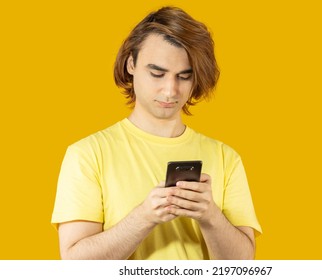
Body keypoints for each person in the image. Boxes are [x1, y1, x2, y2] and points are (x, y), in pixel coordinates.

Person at [51, 6, 261, 260]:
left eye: (184, 77)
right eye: (157, 73)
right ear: (131, 64)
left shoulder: (227, 158)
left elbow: (243, 265)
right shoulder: (86, 154)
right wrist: (144, 217)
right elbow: (75, 265)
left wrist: (210, 216)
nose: (170, 90)